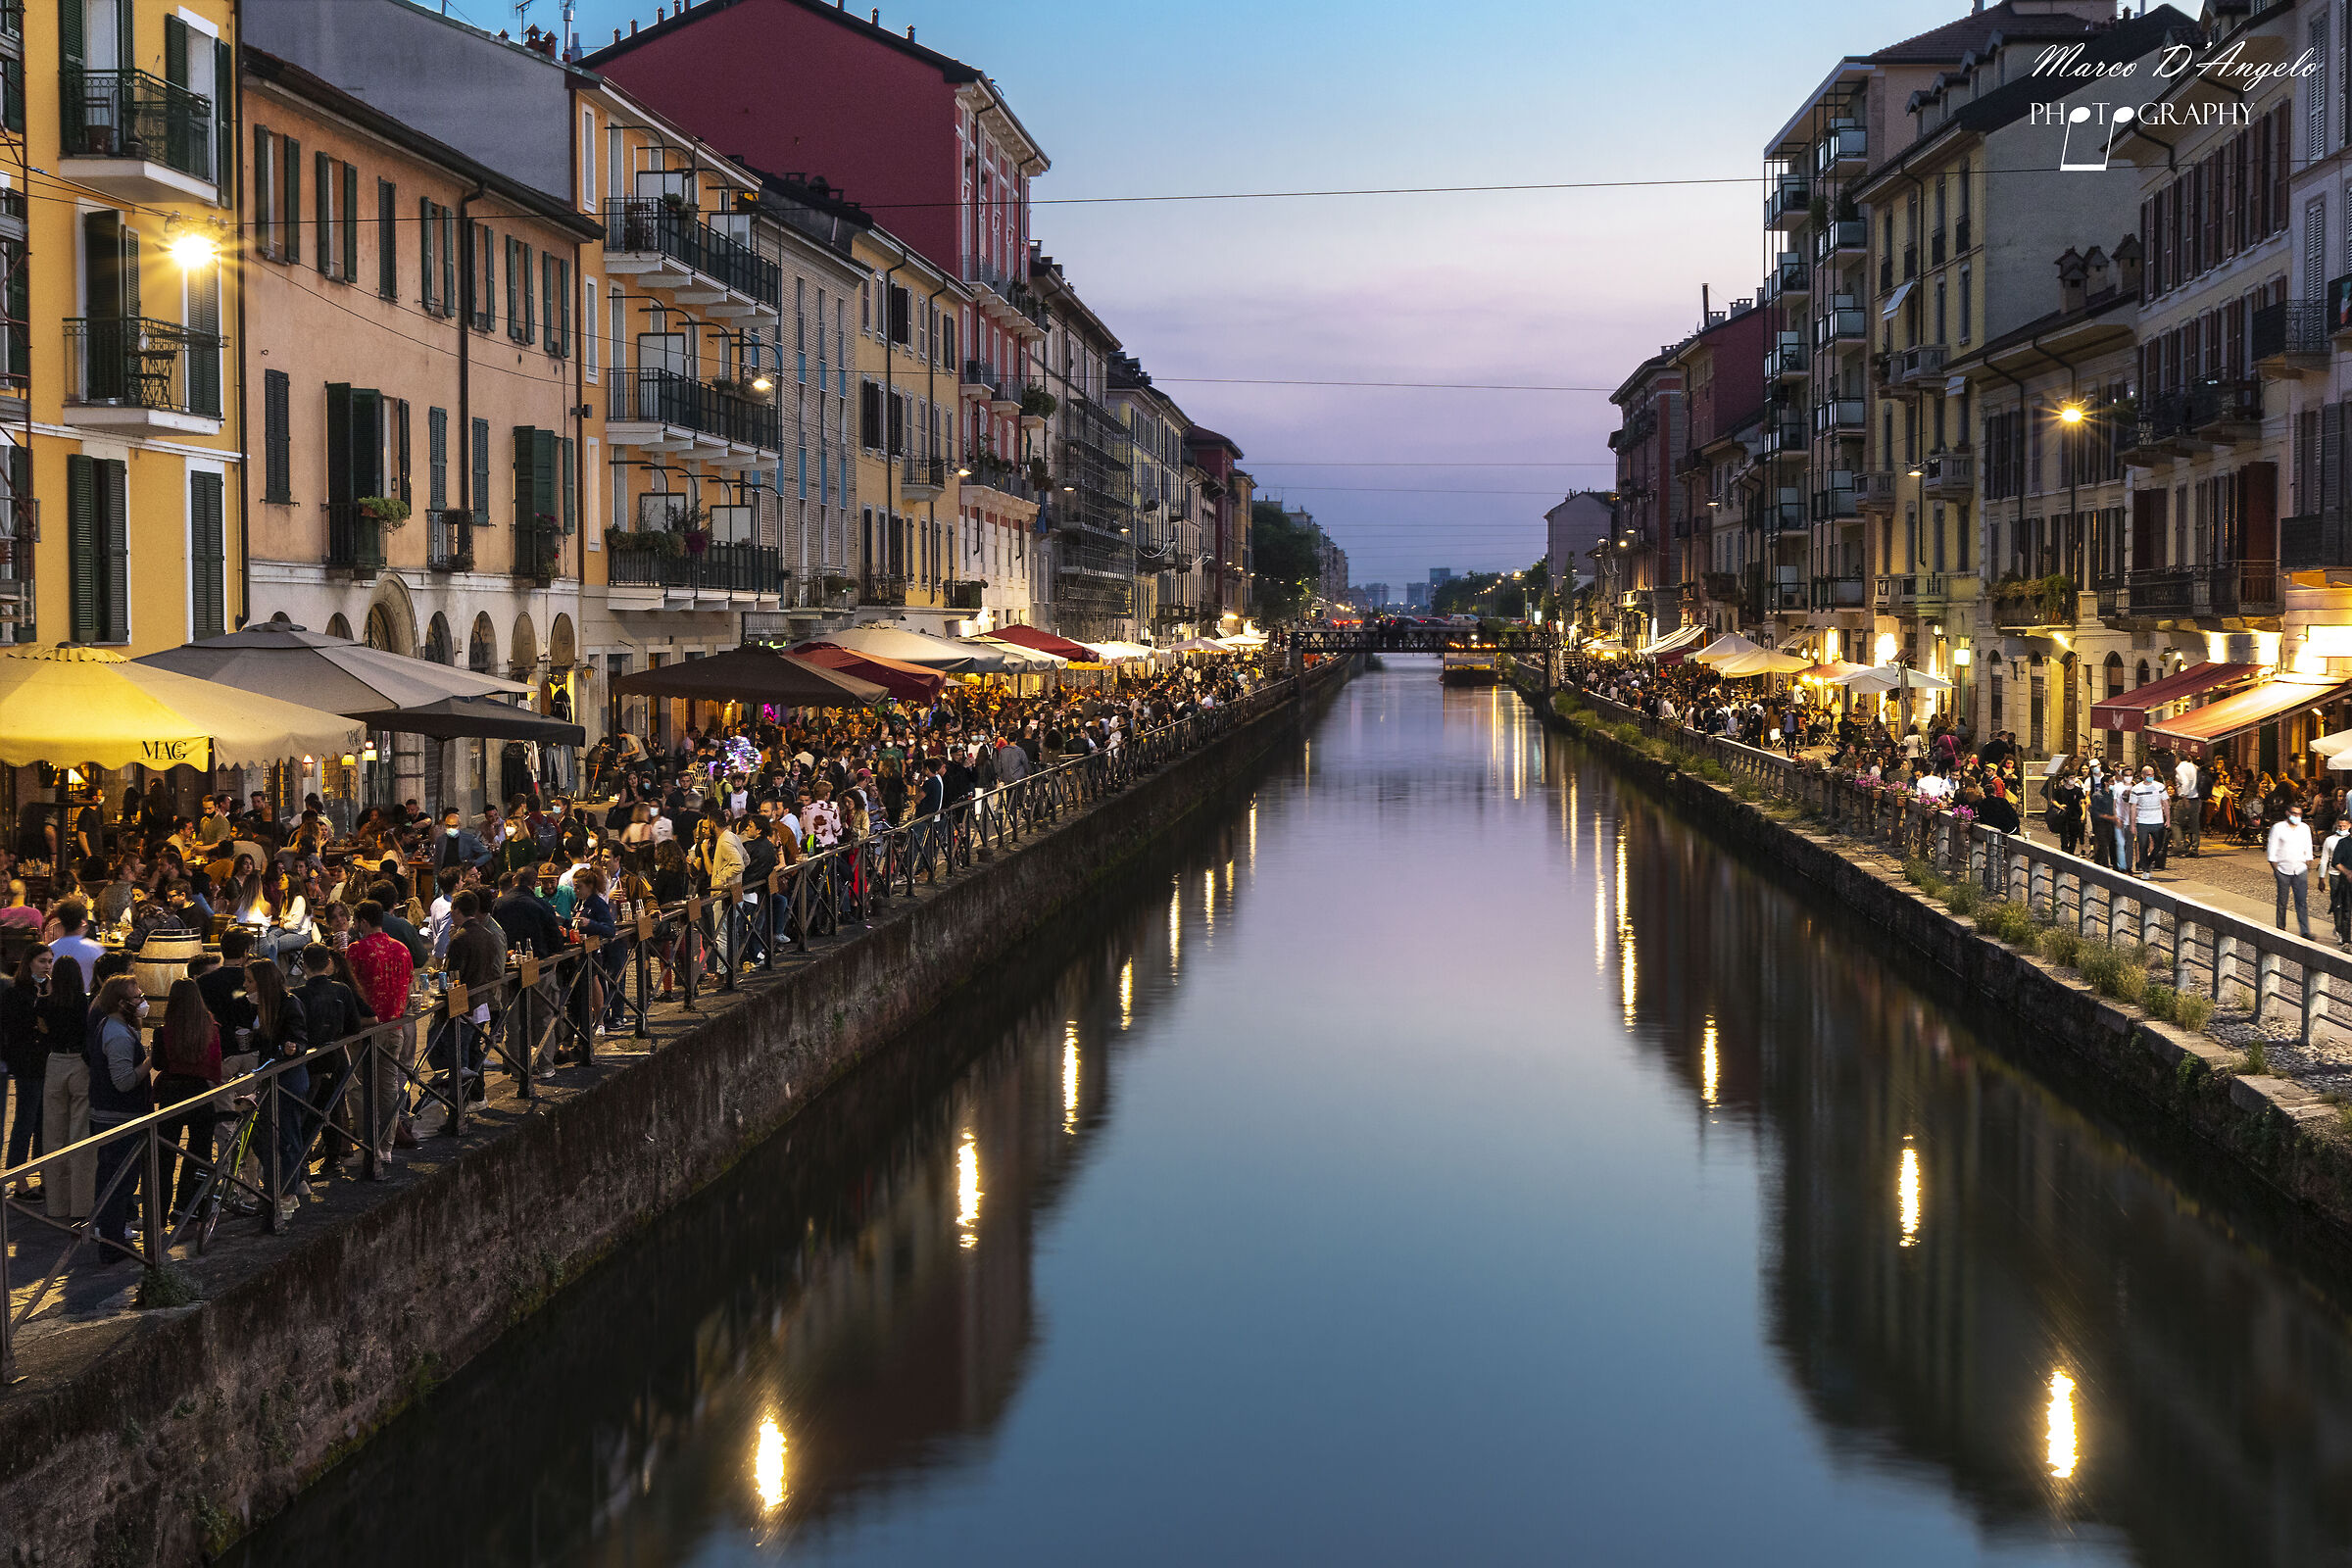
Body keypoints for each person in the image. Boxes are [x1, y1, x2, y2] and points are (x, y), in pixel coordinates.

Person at [80, 975, 151, 1260]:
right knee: (119, 1181)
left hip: (109, 1114)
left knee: (111, 1177)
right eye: (137, 997)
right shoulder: (118, 1034)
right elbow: (123, 1082)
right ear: (122, 1003)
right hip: (118, 1118)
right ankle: (112, 1244)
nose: (142, 1002)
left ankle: (110, 1233)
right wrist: (149, 1061)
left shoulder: (113, 1026)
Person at [152, 977, 223, 1223]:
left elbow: (159, 1064)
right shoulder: (210, 1029)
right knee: (199, 1153)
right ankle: (187, 1206)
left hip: (172, 1094)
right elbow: (216, 1066)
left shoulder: (163, 1031)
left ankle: (158, 1214)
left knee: (164, 1156)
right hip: (200, 1094)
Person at [245, 960, 311, 1213]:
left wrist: (292, 1047)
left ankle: (286, 1194)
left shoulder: (289, 1003)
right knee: (263, 1137)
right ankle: (276, 1188)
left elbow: (300, 1038)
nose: (245, 985)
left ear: (263, 983)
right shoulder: (261, 1005)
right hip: (271, 1078)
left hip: (288, 1078)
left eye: (249, 980)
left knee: (287, 1138)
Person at [2, 945, 52, 1200]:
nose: (47, 966)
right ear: (29, 963)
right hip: (26, 1062)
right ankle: (18, 1178)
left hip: (45, 1061)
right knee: (26, 1119)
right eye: (42, 961)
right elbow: (16, 1027)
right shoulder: (16, 991)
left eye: (50, 961)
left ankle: (44, 1175)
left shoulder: (48, 988)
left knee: (44, 1122)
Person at [2271, 800, 2317, 939]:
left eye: (2299, 814)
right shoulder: (2278, 828)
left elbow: (2308, 846)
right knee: (2282, 901)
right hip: (2283, 869)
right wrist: (2276, 869)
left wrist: (2308, 863)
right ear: (2287, 813)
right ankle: (2280, 927)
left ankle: (2305, 930)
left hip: (2300, 868)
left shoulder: (2304, 828)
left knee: (2302, 901)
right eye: (2294, 814)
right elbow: (2272, 850)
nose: (2296, 817)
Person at [49, 902, 103, 992]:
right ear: (83, 922)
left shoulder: (50, 949)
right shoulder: (95, 949)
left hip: (56, 1001)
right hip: (86, 1001)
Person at [2129, 766, 2171, 877]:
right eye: (2148, 775)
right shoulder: (2137, 789)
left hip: (2157, 820)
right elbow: (2133, 807)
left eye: (2152, 775)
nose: (2151, 777)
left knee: (2158, 845)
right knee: (2143, 845)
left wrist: (2168, 819)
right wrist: (2133, 824)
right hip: (2142, 820)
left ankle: (2148, 860)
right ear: (2143, 776)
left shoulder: (2159, 786)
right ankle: (2145, 869)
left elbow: (2166, 803)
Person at [2173, 752, 2204, 858]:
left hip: (2186, 799)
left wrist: (2184, 797)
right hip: (2196, 799)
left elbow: (2185, 782)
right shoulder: (2195, 767)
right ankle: (2194, 848)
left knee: (2176, 823)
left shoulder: (2180, 768)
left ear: (2178, 758)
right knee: (2194, 825)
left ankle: (2181, 845)